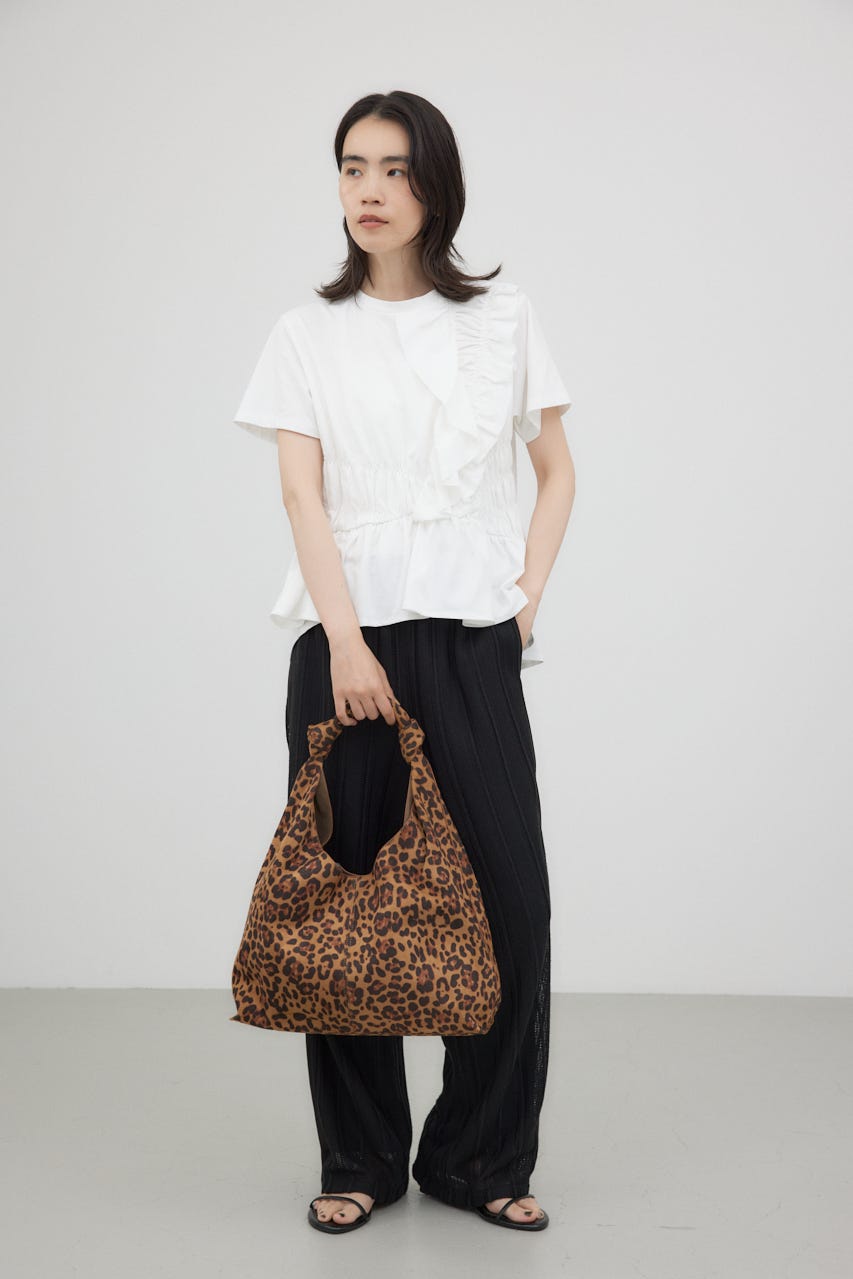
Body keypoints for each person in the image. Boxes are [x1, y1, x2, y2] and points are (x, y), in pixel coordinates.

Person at [232, 90, 576, 1234]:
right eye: (351, 167)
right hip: (346, 640)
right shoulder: (305, 332)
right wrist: (344, 637)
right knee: (348, 897)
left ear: (436, 184)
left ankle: (481, 1157)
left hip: (471, 639)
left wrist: (521, 606)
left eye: (393, 168)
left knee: (510, 901)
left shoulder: (504, 319)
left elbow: (558, 471)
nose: (369, 190)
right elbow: (301, 494)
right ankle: (360, 1157)